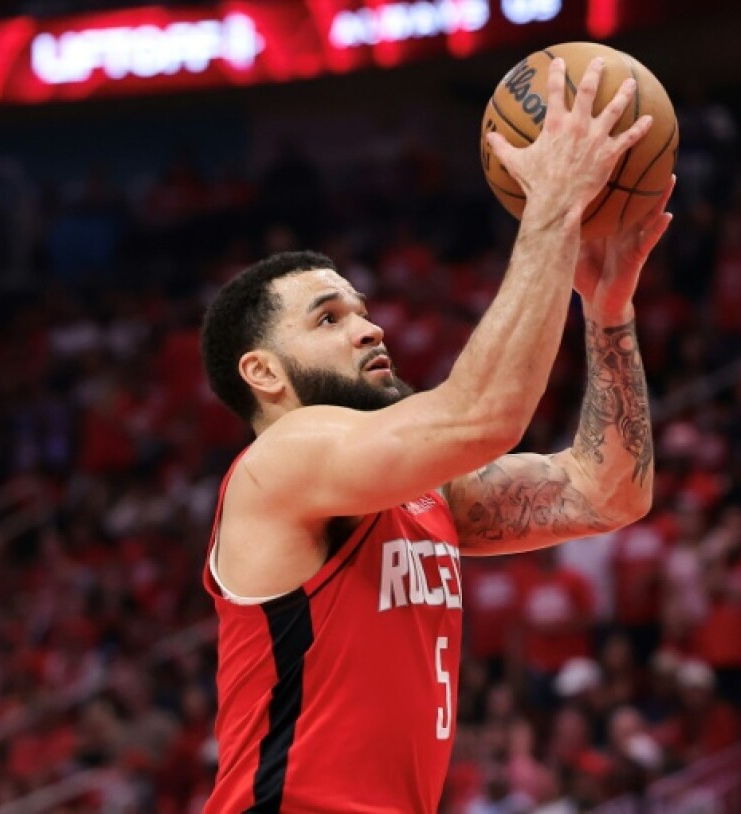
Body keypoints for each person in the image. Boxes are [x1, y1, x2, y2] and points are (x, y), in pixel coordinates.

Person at [197, 57, 671, 813]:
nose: (369, 327)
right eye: (329, 319)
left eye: (361, 310)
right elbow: (486, 415)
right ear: (264, 372)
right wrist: (552, 203)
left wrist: (607, 311)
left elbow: (607, 492)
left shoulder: (417, 494)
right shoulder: (278, 463)